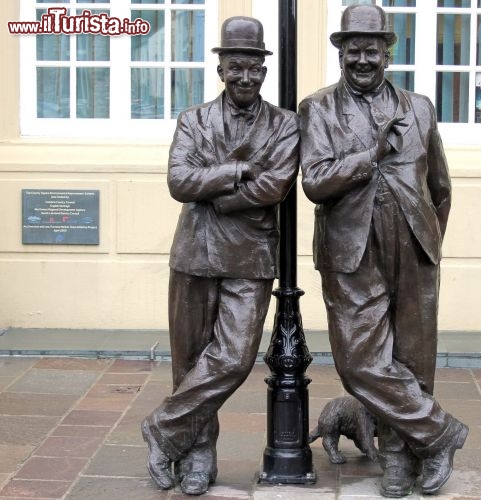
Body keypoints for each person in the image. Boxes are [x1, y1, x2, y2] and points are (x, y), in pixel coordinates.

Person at [299, 5, 467, 497]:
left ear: (389, 54)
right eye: (353, 51)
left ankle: (400, 459)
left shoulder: (419, 107)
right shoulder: (320, 108)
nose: (362, 60)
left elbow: (440, 185)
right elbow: (316, 182)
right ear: (340, 53)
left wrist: (429, 239)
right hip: (352, 247)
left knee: (414, 356)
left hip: (413, 243)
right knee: (359, 361)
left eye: (371, 50)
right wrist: (370, 153)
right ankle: (440, 434)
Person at [141, 16, 298, 496]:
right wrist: (237, 170)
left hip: (250, 258)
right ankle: (197, 454)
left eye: (254, 67)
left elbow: (276, 185)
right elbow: (178, 182)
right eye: (236, 67)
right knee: (189, 362)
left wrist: (217, 191)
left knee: (232, 358)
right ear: (222, 69)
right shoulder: (193, 119)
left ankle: (162, 427)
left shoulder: (285, 124)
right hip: (193, 254)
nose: (246, 76)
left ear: (264, 71)